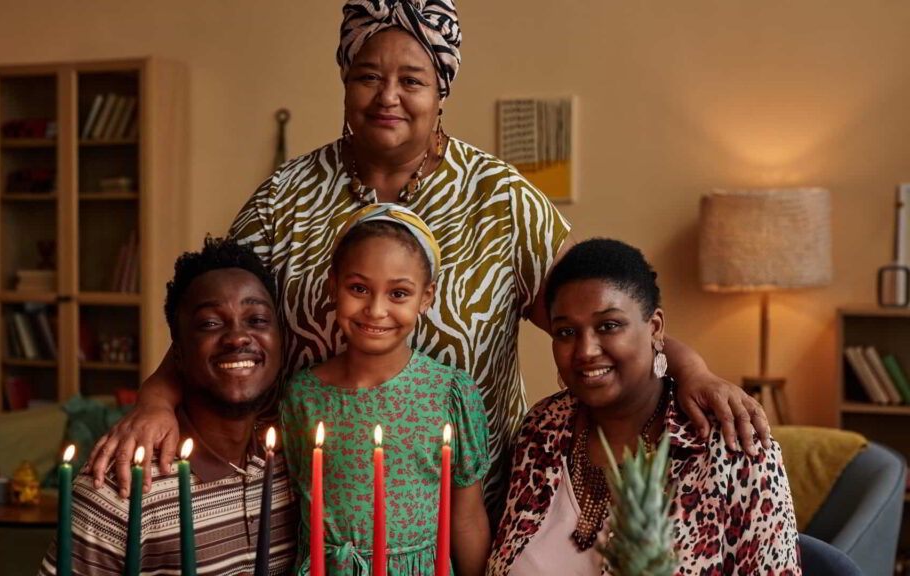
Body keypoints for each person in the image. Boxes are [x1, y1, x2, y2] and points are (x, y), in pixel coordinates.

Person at [87, 0, 770, 524]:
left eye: (412, 79)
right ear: (345, 83)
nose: (388, 96)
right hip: (318, 513)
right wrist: (154, 398)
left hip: (471, 510)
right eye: (368, 76)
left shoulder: (500, 199)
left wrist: (693, 370)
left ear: (441, 88)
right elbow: (220, 323)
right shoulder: (283, 198)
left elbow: (601, 321)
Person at [488, 239, 801, 576]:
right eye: (565, 332)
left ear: (655, 327)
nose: (585, 350)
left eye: (609, 326)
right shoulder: (542, 429)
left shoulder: (732, 446)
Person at [39, 238, 298, 575]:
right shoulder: (121, 490)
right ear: (176, 352)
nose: (238, 337)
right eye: (210, 323)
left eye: (257, 320)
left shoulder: (291, 469)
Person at [280, 204, 491, 576]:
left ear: (426, 297)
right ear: (333, 285)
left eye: (398, 294)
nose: (376, 310)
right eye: (359, 288)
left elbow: (468, 518)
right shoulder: (303, 395)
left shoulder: (449, 393)